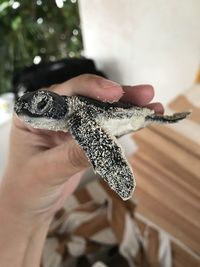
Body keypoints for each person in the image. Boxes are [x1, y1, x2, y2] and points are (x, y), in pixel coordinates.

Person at [0, 74, 164, 267]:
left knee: (152, 115)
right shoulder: (65, 122)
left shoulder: (78, 117)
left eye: (42, 104)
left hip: (122, 113)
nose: (32, 115)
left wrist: (22, 213)